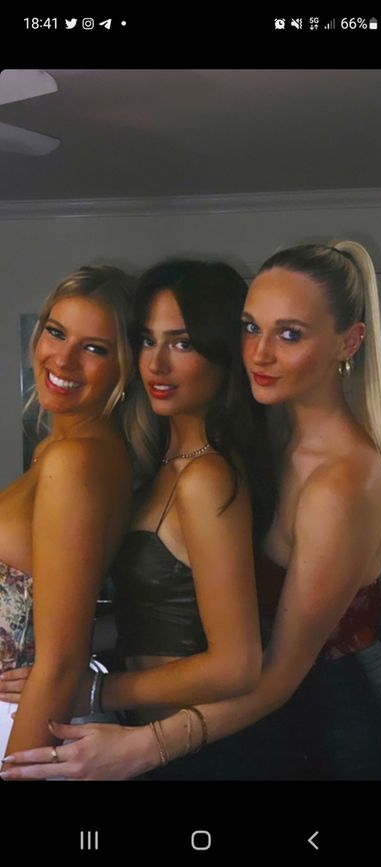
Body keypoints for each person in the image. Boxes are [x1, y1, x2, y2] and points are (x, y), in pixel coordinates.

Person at [3, 241, 381, 781]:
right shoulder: (261, 448)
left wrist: (100, 695)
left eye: (289, 334)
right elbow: (177, 605)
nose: (259, 353)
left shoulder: (335, 481)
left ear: (349, 341)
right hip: (244, 723)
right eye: (250, 328)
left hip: (337, 724)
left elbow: (262, 669)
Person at [0, 258, 266, 778]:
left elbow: (238, 664)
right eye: (147, 340)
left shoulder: (201, 475)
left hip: (181, 749)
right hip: (125, 735)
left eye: (182, 343)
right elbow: (148, 616)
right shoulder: (154, 465)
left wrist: (95, 687)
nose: (157, 364)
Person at [0, 264, 136, 765]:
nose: (62, 358)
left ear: (124, 367)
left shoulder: (75, 461)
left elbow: (60, 664)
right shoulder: (57, 452)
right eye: (56, 333)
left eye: (94, 348)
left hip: (23, 727)